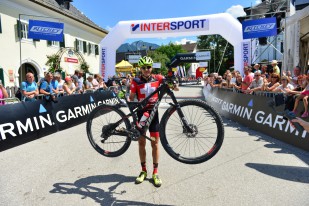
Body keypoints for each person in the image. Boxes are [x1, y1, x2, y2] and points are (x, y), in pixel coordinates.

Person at [129, 56, 178, 187]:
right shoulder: (135, 81)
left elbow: (175, 88)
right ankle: (143, 170)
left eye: (148, 67)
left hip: (154, 114)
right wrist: (134, 117)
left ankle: (155, 172)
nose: (146, 70)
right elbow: (131, 99)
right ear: (140, 68)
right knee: (141, 143)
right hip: (141, 114)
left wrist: (173, 83)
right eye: (143, 67)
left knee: (155, 144)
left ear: (152, 68)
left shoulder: (158, 78)